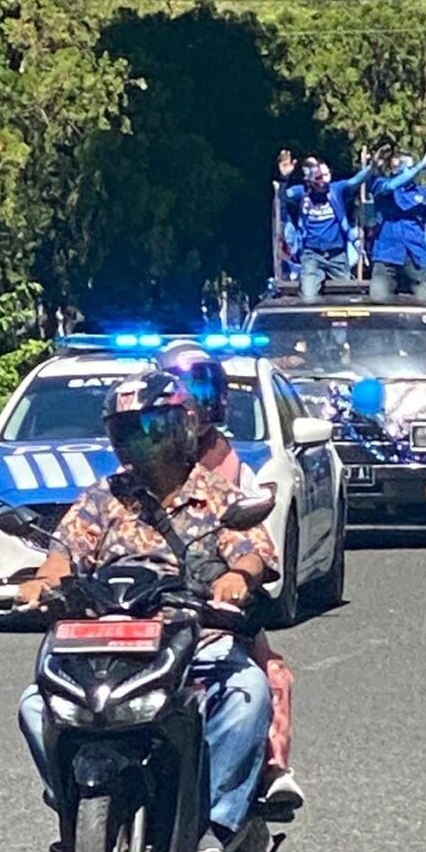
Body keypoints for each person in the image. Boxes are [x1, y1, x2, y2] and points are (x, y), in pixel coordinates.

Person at [17, 371, 277, 852]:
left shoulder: (216, 497)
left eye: (153, 428)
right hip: (107, 643)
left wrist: (238, 577)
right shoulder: (103, 497)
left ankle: (217, 822)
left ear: (183, 427)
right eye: (129, 430)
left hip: (192, 636)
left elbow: (252, 551)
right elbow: (65, 552)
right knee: (36, 704)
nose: (142, 442)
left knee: (248, 695)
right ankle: (70, 794)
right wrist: (43, 582)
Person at [156, 342, 304, 811]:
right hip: (144, 601)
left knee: (267, 673)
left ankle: (273, 770)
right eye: (184, 388)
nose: (195, 400)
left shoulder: (228, 466)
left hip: (213, 598)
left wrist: (239, 577)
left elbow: (252, 538)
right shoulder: (137, 465)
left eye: (202, 386)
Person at [288, 149, 373, 300]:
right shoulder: (301, 193)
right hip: (311, 254)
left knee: (345, 296)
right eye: (319, 177)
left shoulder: (336, 190)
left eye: (326, 175)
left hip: (337, 254)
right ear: (309, 179)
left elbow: (355, 181)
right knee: (308, 295)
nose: (323, 181)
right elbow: (283, 196)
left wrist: (372, 166)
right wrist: (283, 178)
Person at [368, 141, 426, 302]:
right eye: (404, 166)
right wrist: (419, 166)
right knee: (378, 298)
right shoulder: (382, 185)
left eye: (410, 166)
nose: (409, 170)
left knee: (424, 301)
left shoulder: (423, 193)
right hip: (386, 253)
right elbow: (390, 187)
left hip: (416, 254)